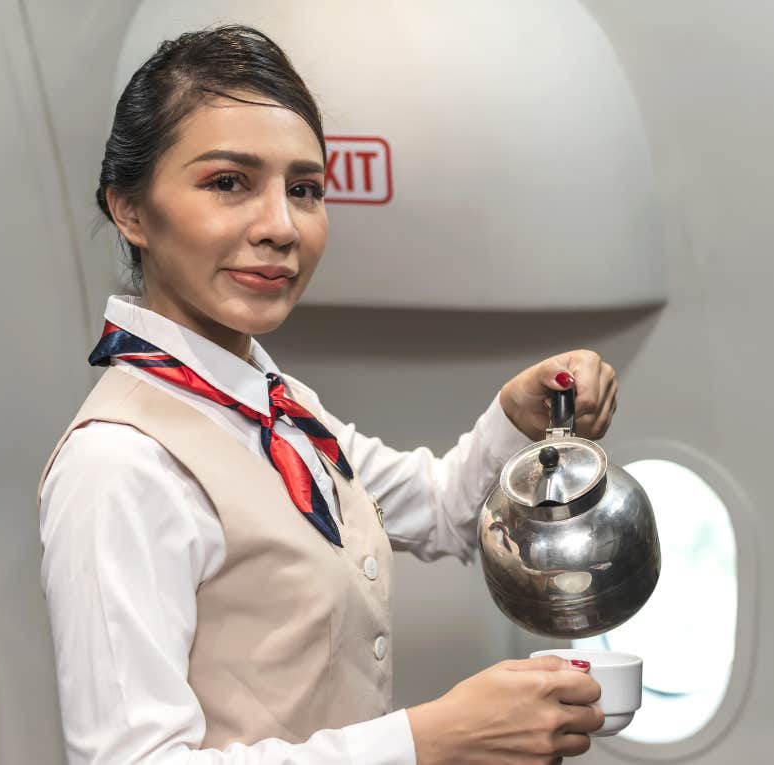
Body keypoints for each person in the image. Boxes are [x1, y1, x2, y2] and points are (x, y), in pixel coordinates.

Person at [38, 25, 620, 765]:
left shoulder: (279, 408)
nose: (282, 227)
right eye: (228, 183)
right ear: (131, 210)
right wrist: (430, 739)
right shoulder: (119, 464)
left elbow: (443, 511)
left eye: (305, 189)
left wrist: (516, 414)